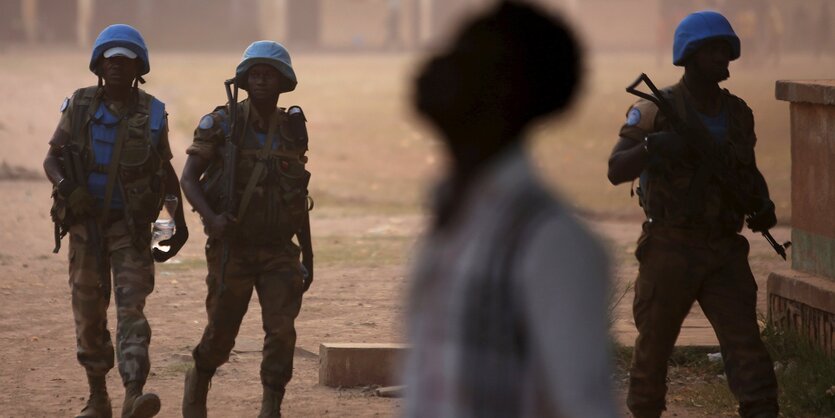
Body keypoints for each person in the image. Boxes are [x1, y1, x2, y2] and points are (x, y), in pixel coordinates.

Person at [403, 2, 618, 417]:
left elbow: (586, 405)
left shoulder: (552, 243)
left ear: (504, 91)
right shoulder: (455, 217)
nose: (435, 63)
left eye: (463, 57)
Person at [607, 10, 779, 418]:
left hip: (724, 249)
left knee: (748, 352)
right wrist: (653, 147)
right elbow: (616, 169)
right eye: (715, 51)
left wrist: (764, 204)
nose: (725, 59)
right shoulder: (654, 109)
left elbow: (748, 171)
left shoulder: (738, 113)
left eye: (727, 50)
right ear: (691, 55)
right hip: (670, 245)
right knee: (652, 354)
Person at [43, 24, 188, 418]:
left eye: (125, 61)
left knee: (131, 312)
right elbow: (52, 158)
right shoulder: (80, 106)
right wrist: (66, 186)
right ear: (99, 65)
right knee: (89, 313)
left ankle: (133, 393)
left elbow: (166, 175)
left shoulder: (153, 113)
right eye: (111, 60)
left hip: (131, 229)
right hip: (86, 227)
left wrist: (175, 221)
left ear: (139, 66)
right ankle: (98, 398)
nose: (117, 67)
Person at [179, 40, 312, 418]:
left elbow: (297, 196)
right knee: (221, 336)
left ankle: (271, 405)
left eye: (269, 75)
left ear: (283, 80)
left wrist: (309, 255)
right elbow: (189, 179)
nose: (262, 81)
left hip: (278, 251)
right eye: (255, 74)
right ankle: (200, 379)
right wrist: (212, 219)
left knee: (281, 333)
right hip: (231, 248)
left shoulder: (292, 129)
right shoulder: (222, 123)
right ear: (245, 79)